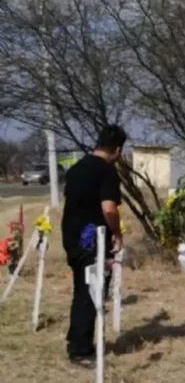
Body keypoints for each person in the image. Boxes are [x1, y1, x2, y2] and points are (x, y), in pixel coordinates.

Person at [62, 125, 127, 366]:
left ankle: (78, 338)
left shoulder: (76, 168)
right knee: (90, 292)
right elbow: (109, 208)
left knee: (83, 288)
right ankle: (79, 350)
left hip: (72, 235)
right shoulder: (107, 171)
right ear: (118, 149)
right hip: (92, 239)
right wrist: (117, 233)